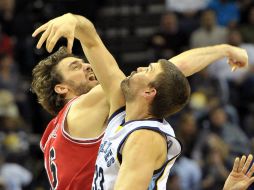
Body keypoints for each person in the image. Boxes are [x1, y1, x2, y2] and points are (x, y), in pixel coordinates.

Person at [32, 13, 248, 189]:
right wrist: (74, 21)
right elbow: (169, 72)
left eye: (83, 62)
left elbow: (165, 76)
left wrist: (223, 50)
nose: (87, 66)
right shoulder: (87, 105)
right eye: (75, 67)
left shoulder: (50, 135)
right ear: (61, 88)